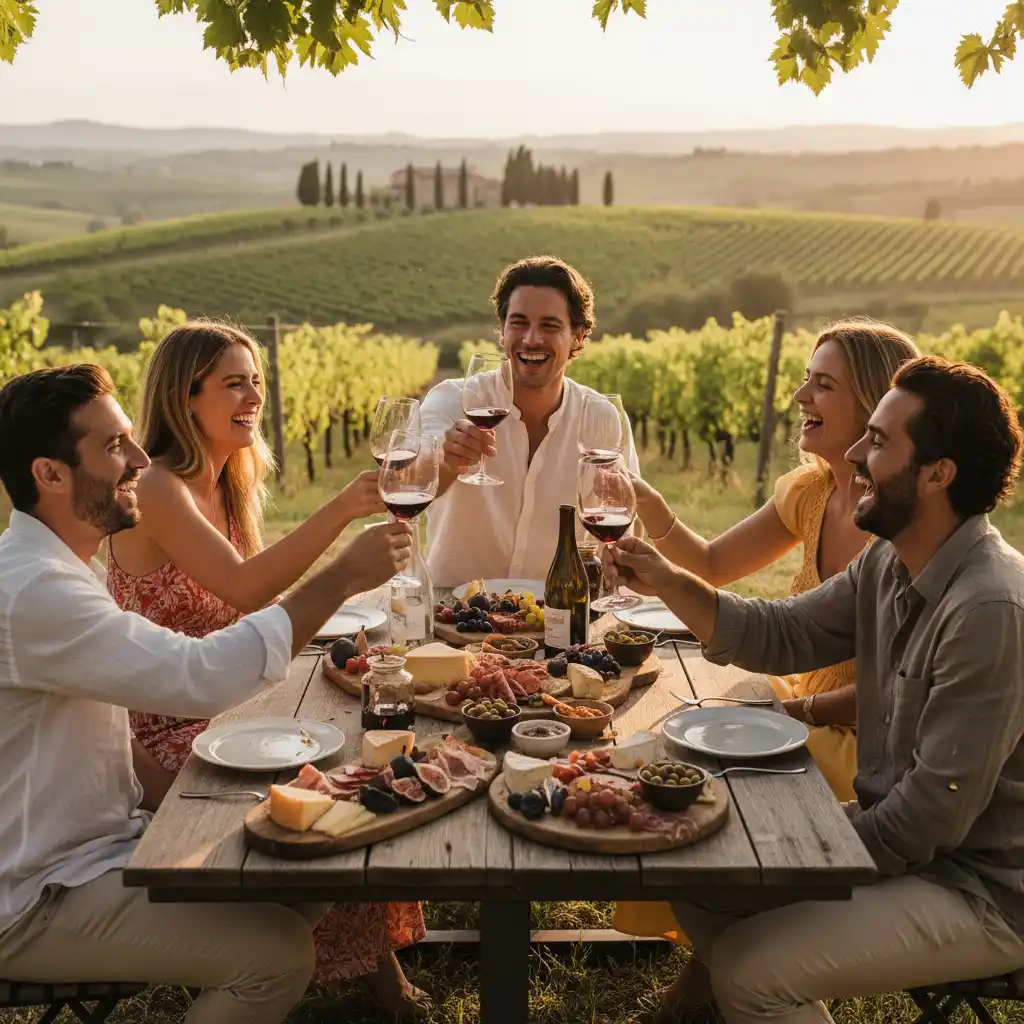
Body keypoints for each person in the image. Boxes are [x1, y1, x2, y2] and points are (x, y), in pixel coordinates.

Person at [607, 355, 1024, 1024]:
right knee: (694, 877)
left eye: (881, 441)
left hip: (980, 891)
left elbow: (927, 820)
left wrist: (787, 850)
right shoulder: (891, 560)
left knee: (749, 969)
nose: (856, 451)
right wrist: (665, 579)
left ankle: (764, 991)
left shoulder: (989, 611)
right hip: (914, 851)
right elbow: (781, 633)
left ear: (938, 475)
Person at [0, 363, 413, 1024]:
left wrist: (184, 799)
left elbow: (83, 729)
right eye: (113, 447)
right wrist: (339, 578)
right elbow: (203, 678)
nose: (140, 459)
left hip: (102, 849)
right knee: (276, 956)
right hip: (33, 898)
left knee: (306, 871)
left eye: (130, 438)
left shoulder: (56, 568)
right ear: (50, 475)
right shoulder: (34, 592)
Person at [106, 321, 430, 1016]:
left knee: (372, 742)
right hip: (167, 730)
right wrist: (343, 511)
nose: (253, 394)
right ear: (184, 398)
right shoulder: (156, 486)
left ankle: (375, 966)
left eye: (257, 380)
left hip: (225, 703)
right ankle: (347, 970)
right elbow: (247, 592)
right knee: (335, 777)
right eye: (233, 383)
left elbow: (253, 606)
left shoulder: (227, 483)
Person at [614, 319, 921, 961]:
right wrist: (647, 503)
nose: (801, 398)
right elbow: (712, 565)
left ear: (873, 405)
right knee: (671, 727)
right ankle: (706, 940)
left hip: (867, 741)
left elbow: (895, 693)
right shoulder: (811, 490)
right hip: (804, 703)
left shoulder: (902, 522)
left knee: (705, 761)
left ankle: (715, 955)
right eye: (805, 379)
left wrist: (791, 712)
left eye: (823, 384)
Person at [420, 255, 641, 586]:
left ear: (578, 338)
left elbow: (628, 526)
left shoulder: (602, 418)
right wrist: (446, 459)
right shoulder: (452, 401)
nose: (532, 339)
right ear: (502, 331)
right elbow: (406, 480)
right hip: (452, 615)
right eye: (518, 322)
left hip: (561, 618)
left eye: (550, 326)